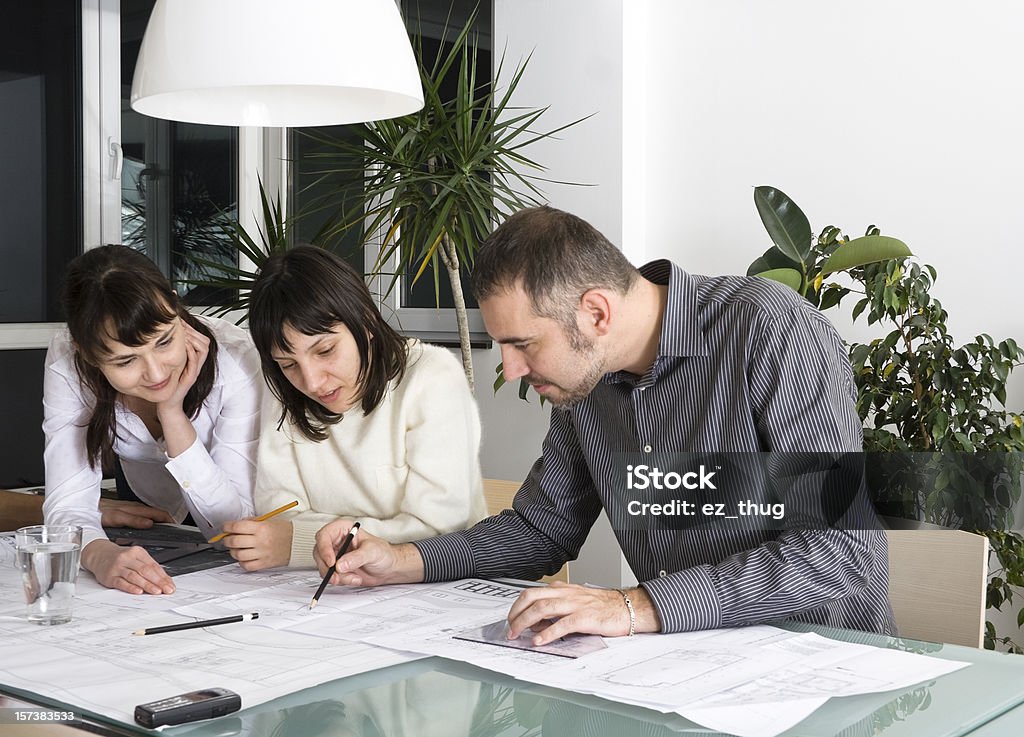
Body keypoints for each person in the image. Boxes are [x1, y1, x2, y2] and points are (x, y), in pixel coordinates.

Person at [312, 206, 896, 644]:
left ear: (596, 312)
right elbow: (541, 529)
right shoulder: (586, 387)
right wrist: (401, 559)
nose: (511, 370)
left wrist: (633, 606)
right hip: (681, 668)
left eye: (522, 344)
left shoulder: (775, 332)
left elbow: (838, 554)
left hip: (824, 668)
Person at [219, 246, 486, 570]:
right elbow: (280, 510)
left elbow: (438, 530)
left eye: (325, 350)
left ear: (367, 320)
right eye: (288, 364)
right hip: (331, 587)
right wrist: (383, 529)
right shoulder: (288, 392)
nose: (313, 381)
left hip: (441, 585)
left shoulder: (431, 378)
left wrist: (297, 542)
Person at [42, 245, 262, 595]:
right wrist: (99, 555)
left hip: (223, 496)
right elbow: (68, 502)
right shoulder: (69, 363)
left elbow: (231, 529)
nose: (156, 373)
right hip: (147, 502)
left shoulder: (236, 360)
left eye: (164, 341)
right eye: (126, 362)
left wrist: (172, 414)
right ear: (87, 354)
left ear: (175, 306)